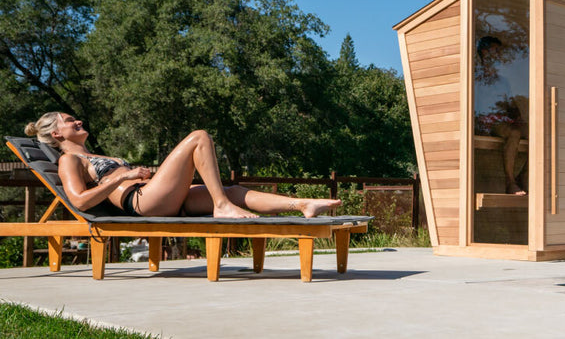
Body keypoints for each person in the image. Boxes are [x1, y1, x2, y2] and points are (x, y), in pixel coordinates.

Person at [25, 112, 341, 219]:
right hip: (141, 201)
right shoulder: (71, 159)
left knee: (231, 189)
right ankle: (221, 206)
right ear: (55, 133)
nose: (77, 120)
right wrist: (125, 176)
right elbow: (78, 200)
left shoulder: (94, 155)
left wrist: (136, 173)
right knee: (199, 138)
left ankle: (302, 205)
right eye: (70, 121)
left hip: (154, 194)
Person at [474, 35, 528, 195]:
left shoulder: (503, 81)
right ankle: (510, 182)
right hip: (486, 120)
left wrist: (518, 115)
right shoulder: (476, 79)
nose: (498, 55)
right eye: (495, 50)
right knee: (515, 133)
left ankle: (523, 176)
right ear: (484, 52)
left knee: (538, 132)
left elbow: (510, 105)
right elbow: (474, 105)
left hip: (504, 120)